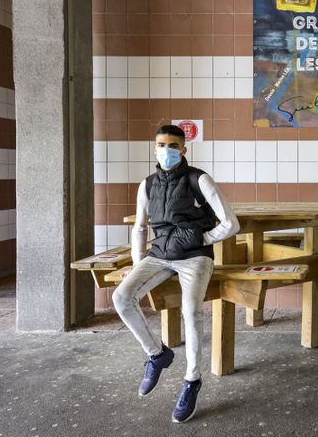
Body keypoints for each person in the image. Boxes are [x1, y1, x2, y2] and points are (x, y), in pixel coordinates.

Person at [112, 125, 240, 423]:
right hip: (158, 256)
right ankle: (157, 354)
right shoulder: (147, 185)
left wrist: (202, 240)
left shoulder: (199, 179)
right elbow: (140, 227)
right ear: (154, 147)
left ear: (184, 149)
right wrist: (136, 262)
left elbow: (231, 223)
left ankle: (192, 381)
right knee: (121, 297)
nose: (166, 150)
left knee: (191, 311)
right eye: (160, 144)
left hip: (195, 258)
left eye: (172, 145)